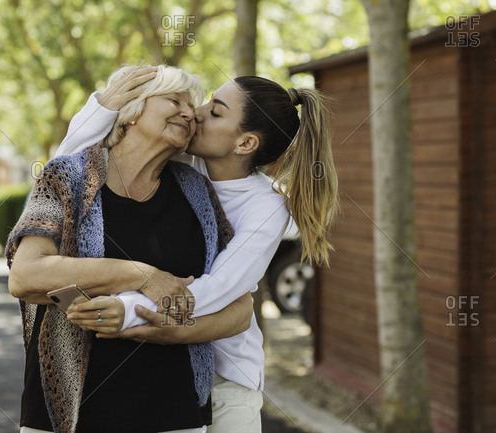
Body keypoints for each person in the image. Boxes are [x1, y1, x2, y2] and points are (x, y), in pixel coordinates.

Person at [55, 68, 339, 433]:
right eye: (205, 102)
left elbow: (218, 288)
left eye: (216, 112)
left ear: (245, 144)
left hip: (225, 376)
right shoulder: (180, 164)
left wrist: (127, 309)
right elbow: (65, 177)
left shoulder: (265, 205)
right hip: (165, 368)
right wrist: (103, 107)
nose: (196, 112)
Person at [5, 65, 255, 433]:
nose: (189, 113)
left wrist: (162, 329)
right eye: (175, 100)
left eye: (194, 105)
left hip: (174, 414)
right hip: (69, 415)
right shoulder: (65, 176)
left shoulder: (197, 193)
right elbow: (26, 276)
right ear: (133, 110)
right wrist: (139, 276)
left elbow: (241, 310)